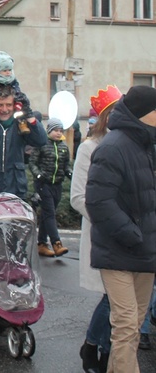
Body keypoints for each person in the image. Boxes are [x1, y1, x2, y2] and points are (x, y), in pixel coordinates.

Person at [86, 85, 156, 373]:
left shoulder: (147, 146)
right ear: (145, 114)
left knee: (134, 325)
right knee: (126, 324)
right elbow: (97, 201)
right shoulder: (113, 147)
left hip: (145, 251)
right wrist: (131, 234)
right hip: (119, 250)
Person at [72, 85, 122, 373]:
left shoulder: (132, 145)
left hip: (126, 234)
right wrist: (108, 218)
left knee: (120, 301)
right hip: (102, 232)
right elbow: (78, 197)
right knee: (112, 297)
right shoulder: (89, 148)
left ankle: (101, 349)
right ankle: (94, 345)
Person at [29, 117, 72, 258]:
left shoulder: (64, 147)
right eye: (56, 130)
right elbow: (33, 163)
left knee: (47, 215)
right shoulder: (41, 144)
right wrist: (38, 175)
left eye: (61, 131)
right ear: (49, 131)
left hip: (57, 185)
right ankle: (56, 243)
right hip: (43, 184)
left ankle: (41, 243)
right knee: (50, 213)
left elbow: (66, 166)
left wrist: (70, 173)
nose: (59, 133)